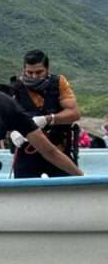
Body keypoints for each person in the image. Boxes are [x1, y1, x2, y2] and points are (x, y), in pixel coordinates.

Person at [9, 50, 81, 178]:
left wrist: (48, 119)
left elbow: (74, 113)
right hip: (27, 153)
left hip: (59, 150)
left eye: (39, 72)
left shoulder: (59, 83)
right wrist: (12, 132)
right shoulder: (15, 88)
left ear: (47, 69)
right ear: (24, 69)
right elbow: (6, 118)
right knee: (24, 194)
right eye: (30, 72)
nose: (34, 77)